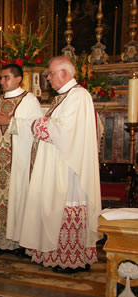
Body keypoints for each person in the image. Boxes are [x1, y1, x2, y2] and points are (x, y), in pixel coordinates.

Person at [19, 56, 102, 273]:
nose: (48, 77)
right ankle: (58, 255)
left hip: (69, 165)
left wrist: (37, 123)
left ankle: (71, 259)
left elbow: (65, 130)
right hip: (58, 160)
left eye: (51, 73)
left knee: (66, 203)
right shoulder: (65, 97)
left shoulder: (79, 96)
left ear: (64, 74)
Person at [0, 64, 42, 253]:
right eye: (1, 78)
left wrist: (10, 122)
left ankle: (17, 242)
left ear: (18, 79)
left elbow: (36, 126)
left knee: (17, 195)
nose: (2, 81)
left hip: (18, 161)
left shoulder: (29, 100)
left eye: (6, 77)